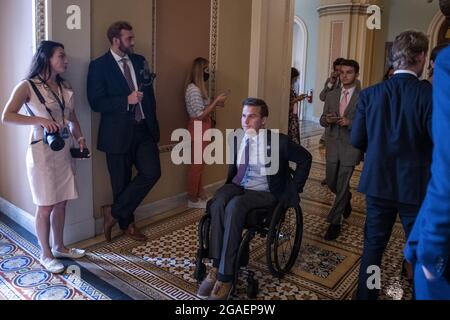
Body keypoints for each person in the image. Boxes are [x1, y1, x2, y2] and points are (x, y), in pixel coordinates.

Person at [196, 98, 312, 300]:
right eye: (243, 115)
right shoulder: (237, 137)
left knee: (235, 206)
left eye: (252, 116)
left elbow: (305, 159)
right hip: (238, 186)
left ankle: (225, 277)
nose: (246, 120)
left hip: (264, 192)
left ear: (264, 120)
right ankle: (216, 266)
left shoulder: (279, 142)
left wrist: (292, 190)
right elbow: (234, 171)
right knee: (218, 201)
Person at [351, 30, 433, 300]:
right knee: (421, 249)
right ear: (420, 57)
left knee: (373, 247)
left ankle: (367, 296)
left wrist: (378, 152)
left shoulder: (371, 94)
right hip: (415, 186)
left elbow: (357, 139)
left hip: (378, 183)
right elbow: (438, 141)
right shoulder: (428, 94)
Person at [1, 41, 88, 273]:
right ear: (46, 58)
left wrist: (79, 138)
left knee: (62, 202)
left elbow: (72, 118)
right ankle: (45, 253)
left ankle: (59, 246)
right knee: (46, 205)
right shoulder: (27, 86)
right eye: (61, 56)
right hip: (41, 152)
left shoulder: (64, 86)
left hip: (63, 149)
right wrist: (39, 120)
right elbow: (6, 116)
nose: (66, 60)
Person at [87, 21, 161, 242]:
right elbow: (95, 102)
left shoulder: (140, 61)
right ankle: (127, 225)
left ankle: (113, 212)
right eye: (129, 38)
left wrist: (153, 122)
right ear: (115, 40)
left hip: (144, 130)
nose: (133, 42)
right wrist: (125, 101)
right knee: (120, 182)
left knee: (152, 172)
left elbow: (150, 94)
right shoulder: (98, 66)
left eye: (132, 37)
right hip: (116, 134)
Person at [404, 45, 450, 300]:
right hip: (415, 181)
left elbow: (446, 165)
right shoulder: (425, 92)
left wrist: (429, 255)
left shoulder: (447, 63)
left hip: (433, 206)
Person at [320, 59, 363, 241]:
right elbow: (322, 119)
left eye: (349, 72)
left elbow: (366, 123)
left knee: (343, 182)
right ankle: (345, 198)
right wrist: (328, 120)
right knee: (331, 181)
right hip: (332, 144)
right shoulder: (331, 95)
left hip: (351, 146)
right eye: (342, 72)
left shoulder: (363, 96)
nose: (345, 75)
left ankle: (335, 223)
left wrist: (350, 123)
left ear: (356, 75)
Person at [185, 57, 228, 209]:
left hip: (203, 127)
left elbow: (203, 110)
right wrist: (215, 102)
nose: (208, 73)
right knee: (197, 165)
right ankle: (192, 197)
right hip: (198, 127)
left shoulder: (198, 89)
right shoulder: (193, 90)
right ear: (199, 71)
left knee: (200, 164)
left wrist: (215, 103)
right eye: (206, 70)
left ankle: (199, 191)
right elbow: (200, 115)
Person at [289, 67, 307, 145]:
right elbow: (287, 103)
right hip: (289, 117)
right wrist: (297, 99)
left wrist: (298, 98)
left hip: (293, 115)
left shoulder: (291, 87)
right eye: (295, 77)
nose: (296, 79)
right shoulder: (287, 88)